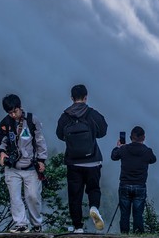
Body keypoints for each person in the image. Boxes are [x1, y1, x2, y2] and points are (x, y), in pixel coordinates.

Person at [56, 84, 108, 233]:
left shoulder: (65, 116)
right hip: (92, 161)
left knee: (75, 195)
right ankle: (94, 207)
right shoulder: (92, 114)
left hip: (73, 162)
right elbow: (103, 131)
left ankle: (78, 227)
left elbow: (60, 134)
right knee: (93, 188)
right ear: (86, 97)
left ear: (72, 98)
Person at [0, 94, 48, 233]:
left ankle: (36, 224)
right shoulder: (5, 122)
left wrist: (41, 160)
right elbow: (1, 140)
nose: (13, 114)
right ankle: (21, 224)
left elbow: (40, 141)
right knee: (15, 197)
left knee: (33, 196)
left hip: (31, 166)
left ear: (20, 107)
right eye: (10, 112)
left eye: (15, 111)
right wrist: (2, 153)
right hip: (12, 168)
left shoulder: (32, 120)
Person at [110, 126, 157, 234]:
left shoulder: (123, 149)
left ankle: (124, 234)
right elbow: (153, 159)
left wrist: (119, 146)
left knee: (124, 214)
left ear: (131, 137)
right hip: (140, 186)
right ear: (143, 137)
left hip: (125, 185)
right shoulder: (147, 151)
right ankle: (138, 234)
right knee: (138, 214)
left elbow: (113, 156)